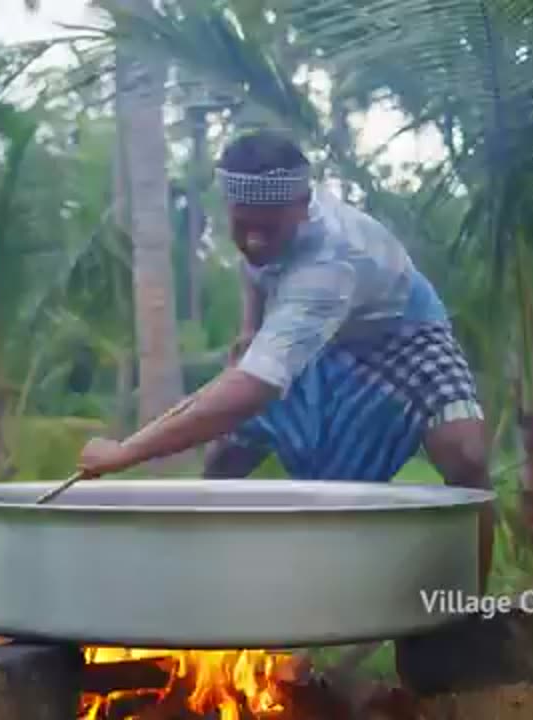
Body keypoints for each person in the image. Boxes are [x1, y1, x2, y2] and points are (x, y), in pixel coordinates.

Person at [78, 130, 495, 590]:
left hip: (401, 332)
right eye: (242, 226)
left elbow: (252, 390)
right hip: (319, 333)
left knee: (467, 456)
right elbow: (254, 270)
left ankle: (469, 610)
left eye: (268, 229)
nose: (254, 241)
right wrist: (250, 329)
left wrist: (127, 452)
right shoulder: (265, 229)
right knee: (228, 455)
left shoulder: (331, 260)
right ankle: (199, 582)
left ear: (303, 204)